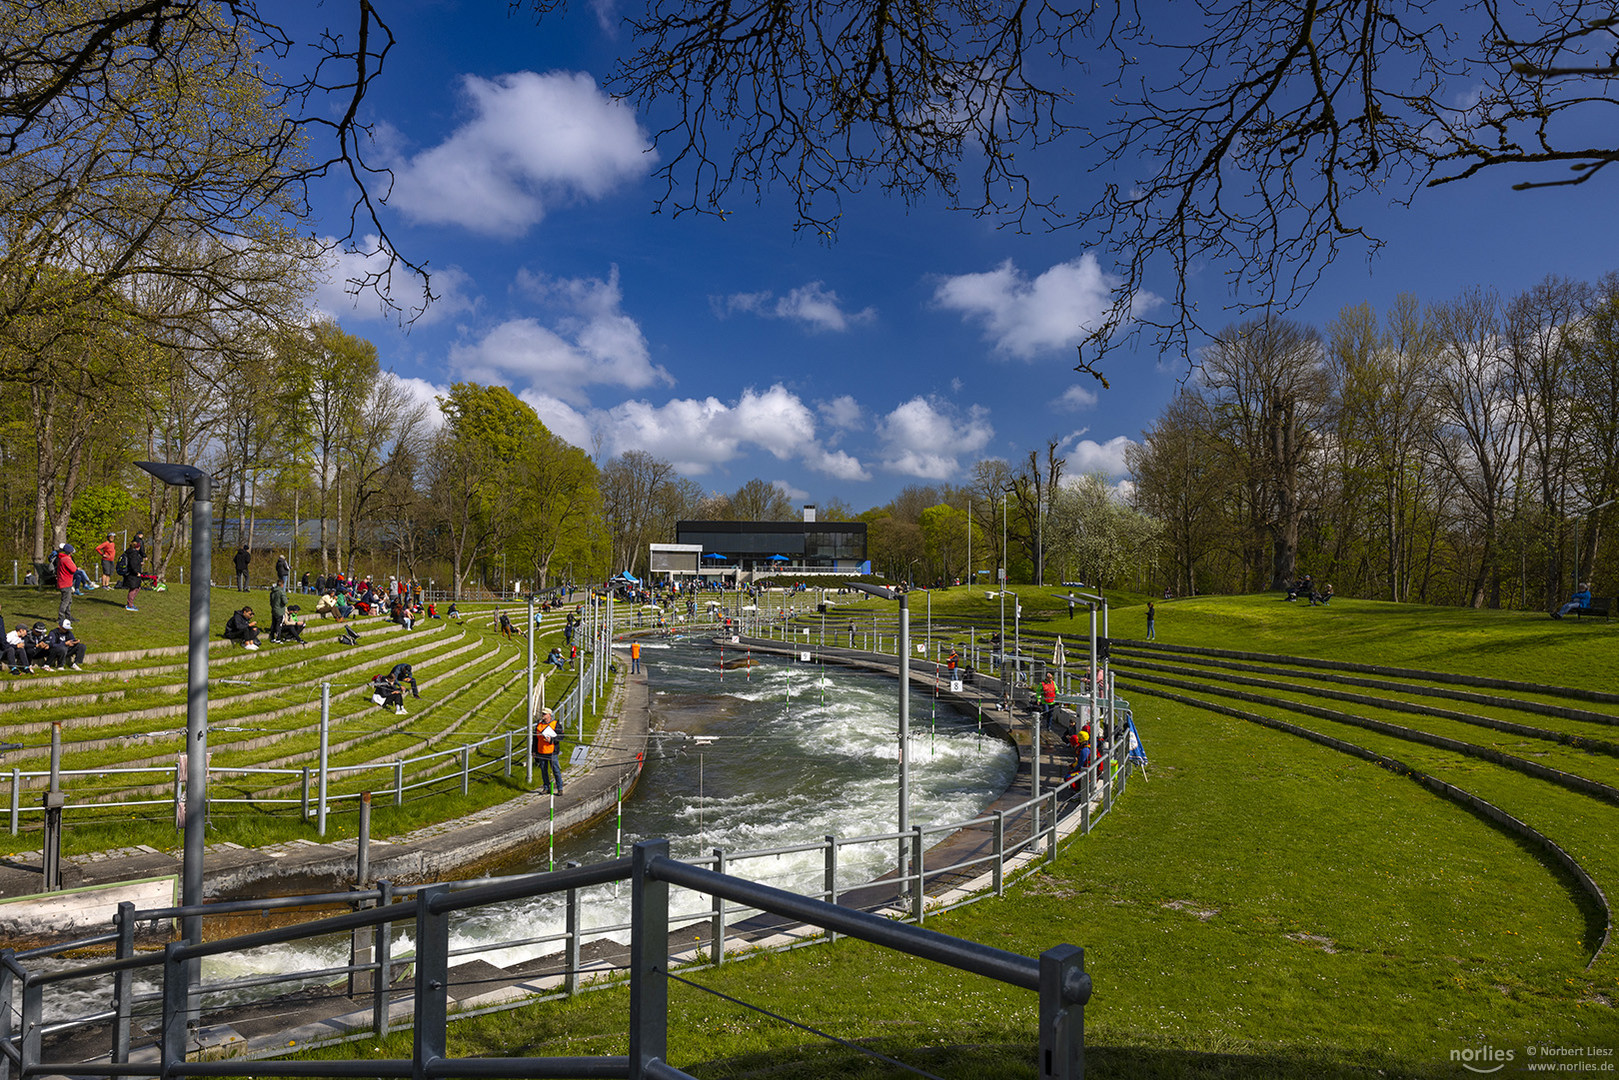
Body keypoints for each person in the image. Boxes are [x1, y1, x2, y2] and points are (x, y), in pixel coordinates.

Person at [533, 708, 563, 794]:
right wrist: (533, 751)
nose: (543, 715)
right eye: (542, 714)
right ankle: (546, 787)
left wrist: (551, 740)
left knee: (555, 770)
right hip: (541, 751)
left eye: (544, 714)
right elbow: (535, 739)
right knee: (543, 770)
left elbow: (561, 736)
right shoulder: (538, 725)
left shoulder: (555, 724)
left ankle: (560, 788)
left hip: (552, 752)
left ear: (549, 715)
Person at [53, 543, 78, 625]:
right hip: (66, 582)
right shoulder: (66, 559)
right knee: (65, 601)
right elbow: (74, 569)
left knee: (68, 600)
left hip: (64, 582)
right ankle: (60, 617)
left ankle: (68, 616)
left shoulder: (61, 558)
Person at [120, 534, 145, 611]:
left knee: (137, 587)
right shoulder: (133, 553)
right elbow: (133, 564)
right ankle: (129, 605)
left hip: (132, 573)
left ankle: (130, 603)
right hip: (132, 574)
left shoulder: (130, 552)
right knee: (133, 589)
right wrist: (136, 572)